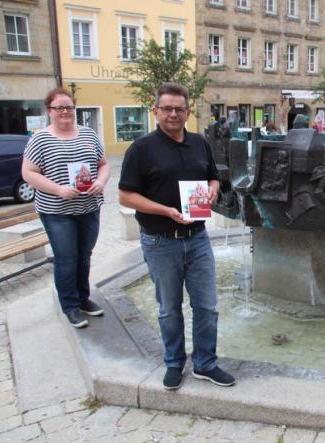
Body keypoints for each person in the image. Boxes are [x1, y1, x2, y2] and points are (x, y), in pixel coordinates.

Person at [118, 82, 235, 390]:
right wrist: (165, 210)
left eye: (179, 109)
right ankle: (174, 362)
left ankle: (205, 363)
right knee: (169, 308)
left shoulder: (199, 142)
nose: (173, 114)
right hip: (160, 240)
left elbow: (213, 176)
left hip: (197, 237)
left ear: (187, 111)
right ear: (155, 111)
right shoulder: (141, 149)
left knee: (207, 306)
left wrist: (213, 189)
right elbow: (126, 196)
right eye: (167, 108)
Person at [22, 88, 110, 328]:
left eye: (69, 107)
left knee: (84, 256)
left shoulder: (89, 134)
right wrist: (58, 189)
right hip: (57, 211)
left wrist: (101, 182)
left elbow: (103, 164)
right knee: (67, 259)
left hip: (89, 207)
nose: (65, 112)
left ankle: (83, 299)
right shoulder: (40, 139)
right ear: (50, 111)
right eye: (59, 107)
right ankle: (70, 306)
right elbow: (28, 173)